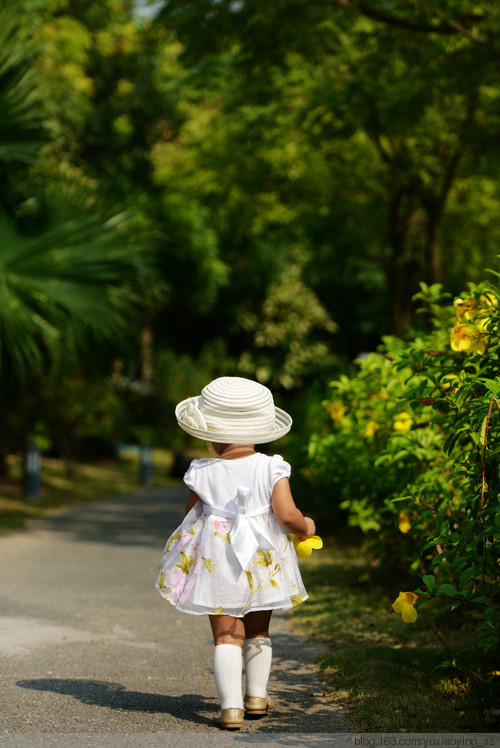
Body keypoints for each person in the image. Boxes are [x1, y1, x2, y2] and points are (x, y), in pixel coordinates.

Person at [155, 376, 316, 730]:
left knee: (227, 633)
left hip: (217, 562)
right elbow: (286, 515)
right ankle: (256, 696)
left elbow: (190, 518)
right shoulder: (271, 466)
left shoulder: (202, 470)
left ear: (212, 432)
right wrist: (306, 526)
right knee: (259, 629)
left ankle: (230, 708)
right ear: (260, 428)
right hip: (263, 560)